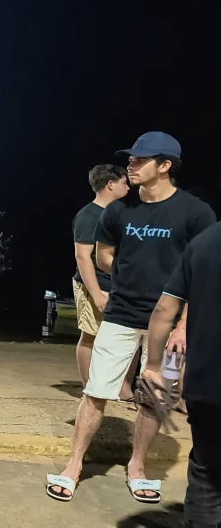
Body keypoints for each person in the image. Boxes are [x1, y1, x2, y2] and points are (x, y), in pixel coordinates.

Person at [47, 132, 216, 503]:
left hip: (170, 326)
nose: (131, 164)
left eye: (140, 159)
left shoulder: (196, 213)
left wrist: (184, 326)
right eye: (131, 159)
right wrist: (128, 277)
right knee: (95, 391)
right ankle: (74, 464)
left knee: (154, 398)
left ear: (165, 165)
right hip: (121, 315)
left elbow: (204, 274)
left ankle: (137, 467)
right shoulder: (118, 210)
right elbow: (103, 256)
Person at [145, 222, 221, 527]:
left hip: (207, 386)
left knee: (207, 477)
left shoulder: (205, 241)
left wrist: (153, 365)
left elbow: (165, 309)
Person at [70, 164, 130, 390]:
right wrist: (95, 294)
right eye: (124, 183)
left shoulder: (118, 213)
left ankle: (122, 388)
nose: (128, 188)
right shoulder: (89, 215)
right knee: (90, 336)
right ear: (110, 184)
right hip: (94, 283)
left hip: (116, 284)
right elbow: (83, 256)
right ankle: (89, 388)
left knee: (124, 336)